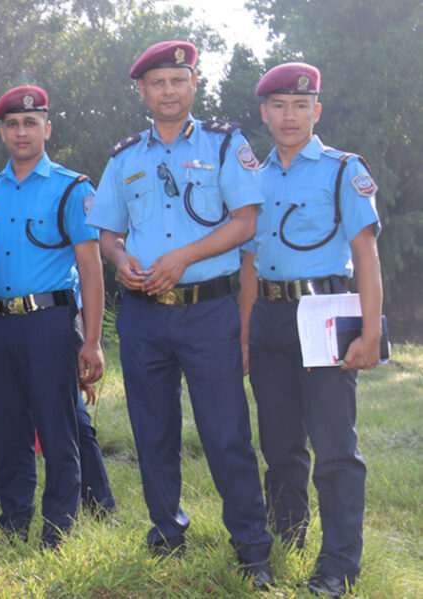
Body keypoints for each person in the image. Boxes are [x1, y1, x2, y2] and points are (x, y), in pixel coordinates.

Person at [84, 40, 274, 588]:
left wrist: (182, 258)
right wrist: (119, 261)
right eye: (156, 83)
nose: (167, 91)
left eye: (177, 80)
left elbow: (245, 222)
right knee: (152, 430)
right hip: (144, 317)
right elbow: (107, 235)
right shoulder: (124, 158)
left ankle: (251, 547)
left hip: (207, 311)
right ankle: (166, 532)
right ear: (142, 92)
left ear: (193, 85)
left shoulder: (224, 144)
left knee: (225, 431)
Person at [239, 62, 382, 598]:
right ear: (264, 114)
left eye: (301, 106)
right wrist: (244, 333)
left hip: (327, 313)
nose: (289, 115)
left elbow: (366, 254)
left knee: (335, 449)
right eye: (278, 106)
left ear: (316, 111)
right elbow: (249, 264)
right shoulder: (254, 177)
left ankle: (339, 567)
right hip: (271, 319)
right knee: (279, 446)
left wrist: (369, 331)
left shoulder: (344, 170)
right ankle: (287, 541)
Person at [0, 85, 106, 546]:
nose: (21, 131)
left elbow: (90, 265)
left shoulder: (71, 187)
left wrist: (92, 339)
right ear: (3, 133)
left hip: (49, 322)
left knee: (57, 424)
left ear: (47, 128)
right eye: (12, 124)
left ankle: (59, 525)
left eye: (31, 123)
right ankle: (14, 519)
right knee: (6, 427)